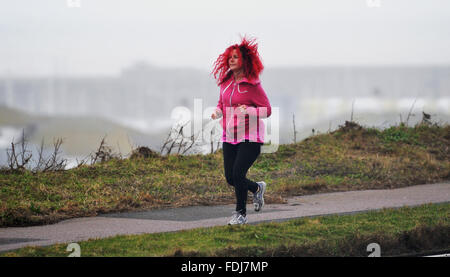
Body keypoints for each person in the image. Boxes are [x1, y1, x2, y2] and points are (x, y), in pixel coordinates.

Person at [211, 36, 272, 225]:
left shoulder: (253, 85)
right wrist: (217, 111)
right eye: (230, 57)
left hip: (251, 136)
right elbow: (222, 103)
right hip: (230, 135)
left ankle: (240, 214)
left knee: (238, 174)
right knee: (231, 178)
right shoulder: (225, 82)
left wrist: (250, 111)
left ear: (245, 60)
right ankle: (256, 188)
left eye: (235, 57)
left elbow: (267, 110)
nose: (231, 60)